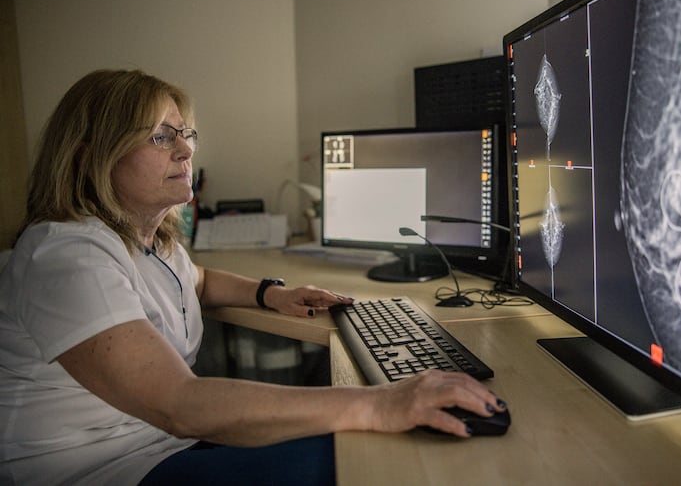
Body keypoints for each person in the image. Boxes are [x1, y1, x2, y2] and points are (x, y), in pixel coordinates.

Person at [0, 69, 507, 485]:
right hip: (99, 469)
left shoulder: (152, 242)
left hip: (160, 444)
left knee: (376, 445)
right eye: (160, 137)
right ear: (90, 157)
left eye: (185, 134)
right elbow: (180, 405)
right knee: (382, 461)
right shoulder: (65, 256)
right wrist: (380, 404)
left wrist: (271, 294)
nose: (185, 151)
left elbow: (197, 281)